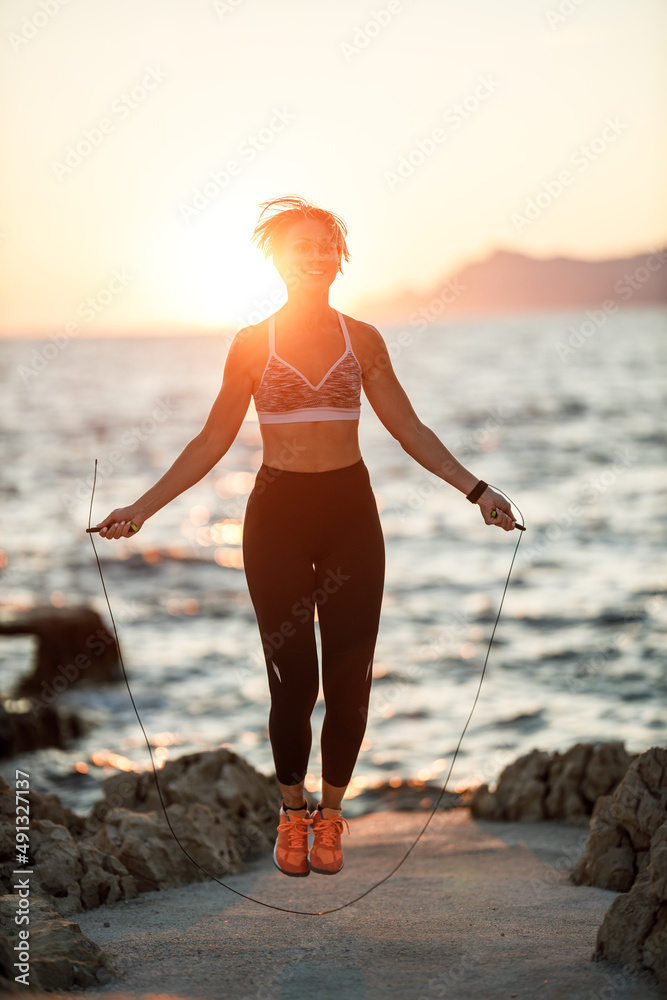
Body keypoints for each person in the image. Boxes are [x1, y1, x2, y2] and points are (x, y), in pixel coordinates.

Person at [94, 195, 518, 878]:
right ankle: (290, 815)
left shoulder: (363, 339)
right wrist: (141, 509)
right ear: (277, 258)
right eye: (302, 246)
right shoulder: (251, 344)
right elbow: (211, 440)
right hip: (276, 517)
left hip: (351, 513)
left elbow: (409, 429)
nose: (316, 256)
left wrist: (477, 491)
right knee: (294, 683)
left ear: (339, 258)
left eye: (327, 245)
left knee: (350, 685)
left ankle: (331, 816)